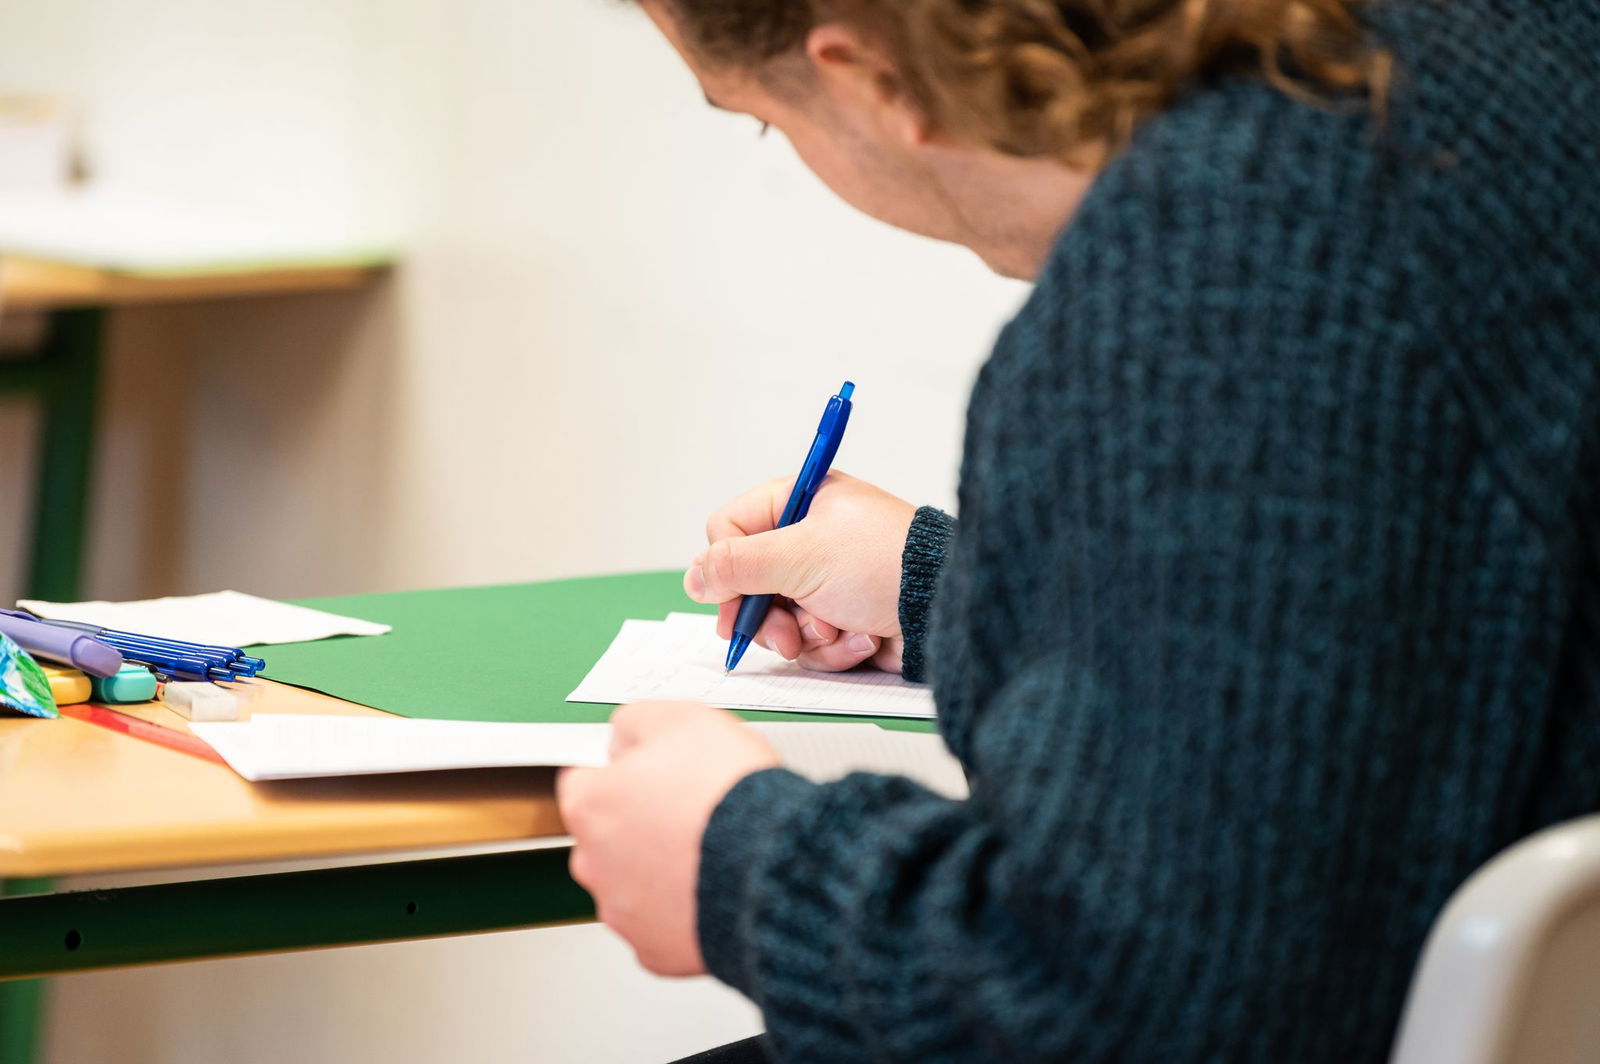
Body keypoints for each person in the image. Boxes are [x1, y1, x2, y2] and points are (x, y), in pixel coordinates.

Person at [556, 0, 1600, 1060]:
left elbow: (1108, 1003)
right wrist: (943, 588)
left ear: (871, 77)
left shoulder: (1214, 271)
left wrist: (732, 855)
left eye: (768, 120)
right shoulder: (1501, 52)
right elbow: (1378, 625)